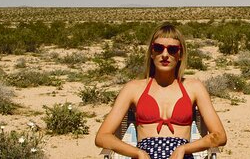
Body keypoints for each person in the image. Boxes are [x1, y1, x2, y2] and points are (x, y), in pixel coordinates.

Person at [96, 24, 227, 159]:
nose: (165, 55)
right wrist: (138, 152)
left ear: (180, 54)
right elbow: (102, 136)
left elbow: (220, 136)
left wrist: (184, 149)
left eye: (172, 49)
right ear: (152, 53)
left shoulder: (194, 87)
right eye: (158, 48)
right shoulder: (133, 88)